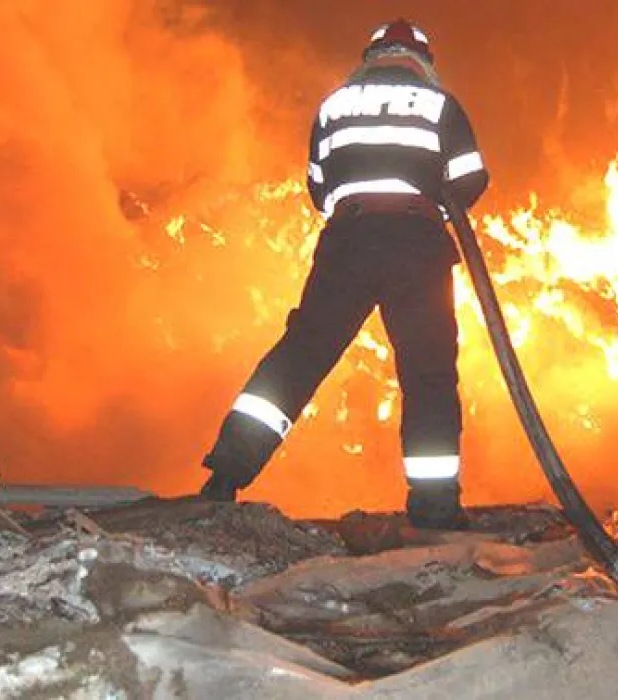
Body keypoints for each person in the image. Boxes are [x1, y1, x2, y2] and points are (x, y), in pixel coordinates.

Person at [199, 18, 489, 529]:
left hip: (348, 240)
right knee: (427, 374)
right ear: (422, 61)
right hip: (416, 244)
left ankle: (226, 473)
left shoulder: (333, 105)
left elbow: (317, 187)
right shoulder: (441, 104)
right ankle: (434, 508)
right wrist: (431, 204)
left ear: (370, 57)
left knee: (300, 355)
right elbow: (471, 179)